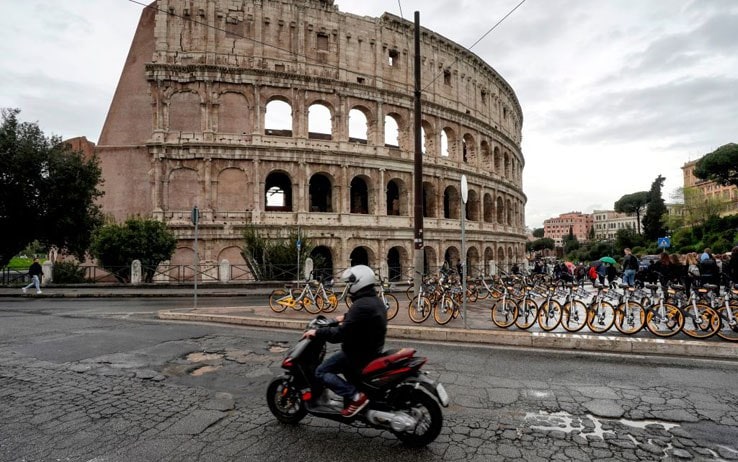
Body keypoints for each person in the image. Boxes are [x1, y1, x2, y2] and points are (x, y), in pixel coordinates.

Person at [303, 265, 387, 417]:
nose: (348, 287)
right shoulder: (374, 300)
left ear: (358, 283)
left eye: (350, 283)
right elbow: (359, 320)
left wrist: (317, 332)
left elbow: (339, 335)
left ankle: (356, 397)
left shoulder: (361, 305)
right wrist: (343, 317)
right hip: (371, 349)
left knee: (321, 371)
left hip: (357, 354)